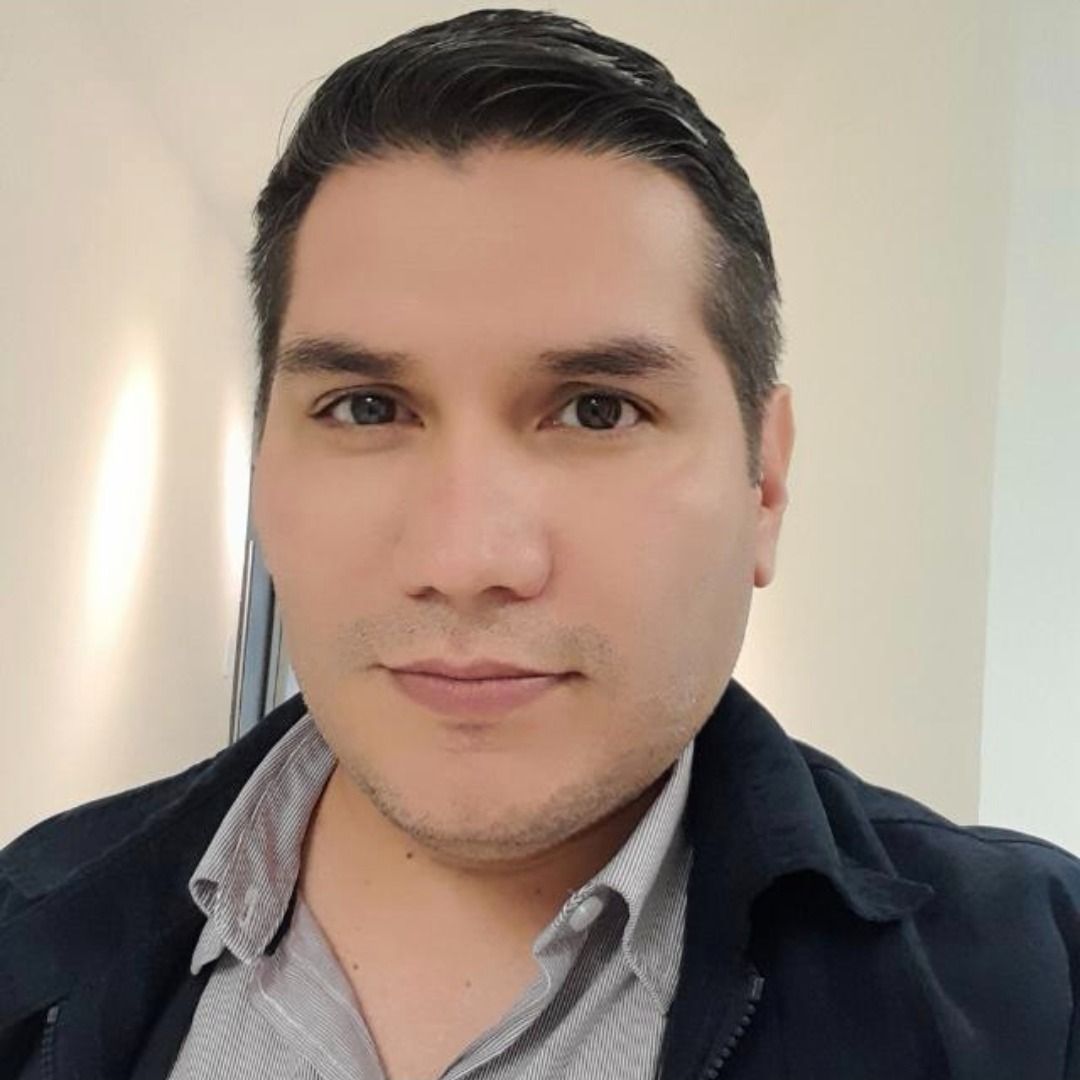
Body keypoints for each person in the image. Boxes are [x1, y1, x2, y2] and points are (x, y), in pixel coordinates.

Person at [2, 7, 1077, 1078]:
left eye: (598, 410)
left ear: (766, 482)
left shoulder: (1042, 988)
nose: (467, 560)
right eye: (367, 408)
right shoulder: (25, 922)